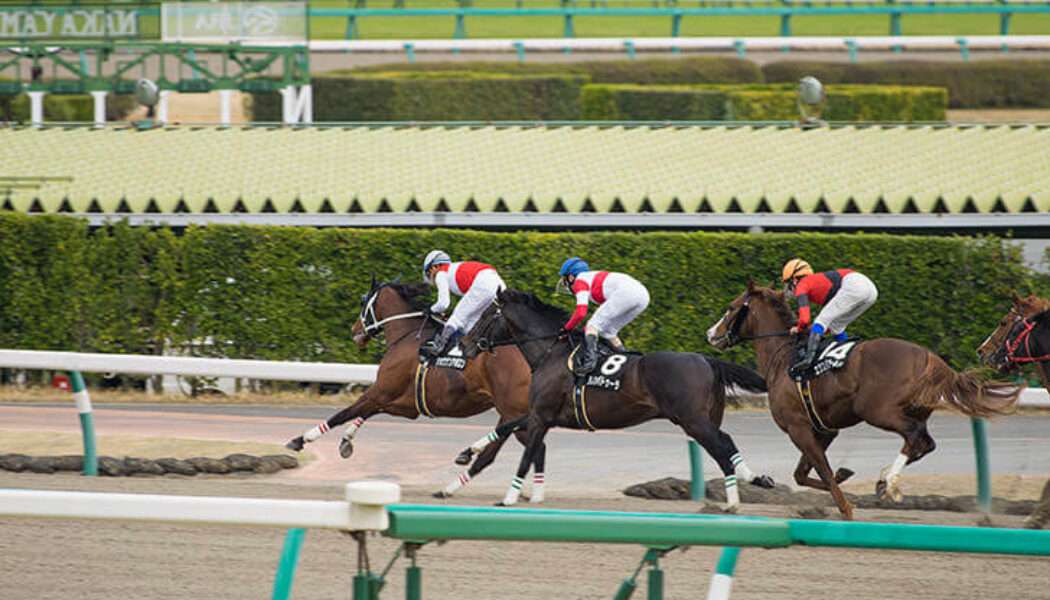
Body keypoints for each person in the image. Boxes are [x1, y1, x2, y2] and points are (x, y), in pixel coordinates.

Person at [782, 258, 878, 376]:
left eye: (789, 283)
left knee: (821, 320)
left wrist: (799, 328)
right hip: (871, 290)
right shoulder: (817, 283)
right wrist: (814, 330)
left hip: (854, 285)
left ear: (795, 280)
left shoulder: (802, 285)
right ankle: (848, 358)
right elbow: (826, 327)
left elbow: (805, 319)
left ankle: (808, 360)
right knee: (836, 327)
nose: (789, 289)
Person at [559, 257, 650, 374]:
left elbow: (581, 313)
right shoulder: (590, 279)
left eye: (565, 280)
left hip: (626, 293)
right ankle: (625, 358)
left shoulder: (580, 281)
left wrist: (566, 328)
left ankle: (589, 363)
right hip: (643, 296)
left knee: (592, 325)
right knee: (609, 332)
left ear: (571, 277)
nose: (566, 285)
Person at [420, 250, 506, 361]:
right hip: (498, 283)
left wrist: (430, 310)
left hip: (484, 283)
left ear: (434, 267)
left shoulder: (441, 273)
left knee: (456, 319)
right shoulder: (454, 269)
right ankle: (480, 350)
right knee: (471, 323)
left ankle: (438, 347)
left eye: (429, 273)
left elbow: (443, 304)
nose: (432, 278)